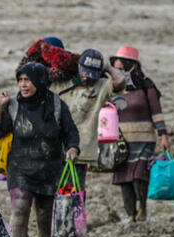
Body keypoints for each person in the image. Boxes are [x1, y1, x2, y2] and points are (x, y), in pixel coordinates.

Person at [0, 62, 81, 237]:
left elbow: (70, 131)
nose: (22, 84)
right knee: (19, 211)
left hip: (49, 171)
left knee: (44, 216)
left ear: (39, 81)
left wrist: (73, 148)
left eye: (27, 80)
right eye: (20, 80)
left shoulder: (56, 104)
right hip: (20, 171)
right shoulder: (12, 105)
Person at [109, 46, 169, 222]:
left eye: (122, 69)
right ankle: (131, 215)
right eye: (116, 69)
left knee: (138, 176)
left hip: (144, 140)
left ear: (131, 67)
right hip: (121, 143)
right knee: (124, 180)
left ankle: (142, 208)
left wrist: (163, 135)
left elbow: (156, 112)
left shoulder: (146, 86)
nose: (119, 72)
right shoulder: (113, 89)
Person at [54, 48, 126, 189]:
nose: (87, 78)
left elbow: (120, 81)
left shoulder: (102, 86)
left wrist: (108, 68)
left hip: (80, 152)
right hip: (55, 149)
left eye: (92, 75)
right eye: (84, 74)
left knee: (75, 194)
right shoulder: (62, 82)